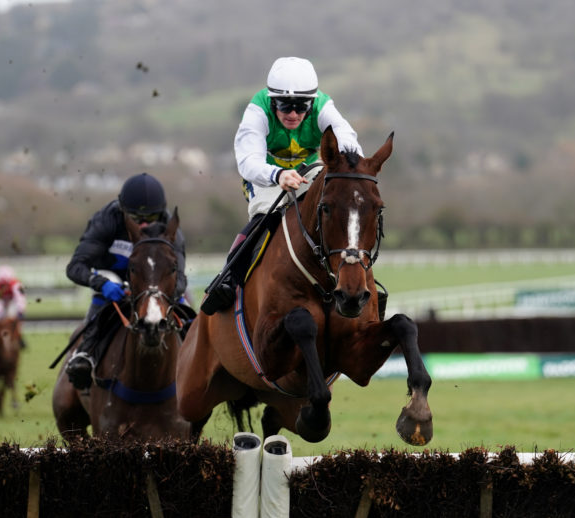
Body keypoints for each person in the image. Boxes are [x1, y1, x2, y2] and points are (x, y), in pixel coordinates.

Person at [201, 56, 367, 315]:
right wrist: (278, 175)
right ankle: (229, 277)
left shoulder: (324, 106)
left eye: (301, 107)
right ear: (271, 101)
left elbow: (349, 140)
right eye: (284, 105)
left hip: (309, 170)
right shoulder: (257, 111)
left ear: (311, 103)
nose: (292, 114)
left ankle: (358, 280)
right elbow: (248, 162)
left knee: (341, 208)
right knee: (265, 214)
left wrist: (350, 162)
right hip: (265, 175)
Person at [64, 172, 189, 389]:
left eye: (149, 219)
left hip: (154, 287)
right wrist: (101, 283)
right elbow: (75, 267)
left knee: (186, 309)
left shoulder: (171, 231)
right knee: (106, 286)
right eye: (134, 217)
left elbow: (181, 278)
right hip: (113, 282)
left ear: (159, 215)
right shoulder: (106, 220)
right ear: (122, 211)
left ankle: (202, 360)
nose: (142, 225)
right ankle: (85, 354)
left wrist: (164, 293)